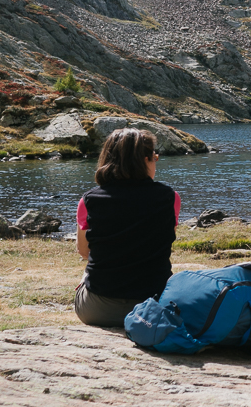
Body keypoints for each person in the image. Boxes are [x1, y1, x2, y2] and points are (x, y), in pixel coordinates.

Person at [74, 128, 180, 326]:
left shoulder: (88, 200)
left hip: (96, 310)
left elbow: (83, 251)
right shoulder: (170, 197)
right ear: (146, 160)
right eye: (155, 157)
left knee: (89, 268)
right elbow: (165, 242)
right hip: (152, 306)